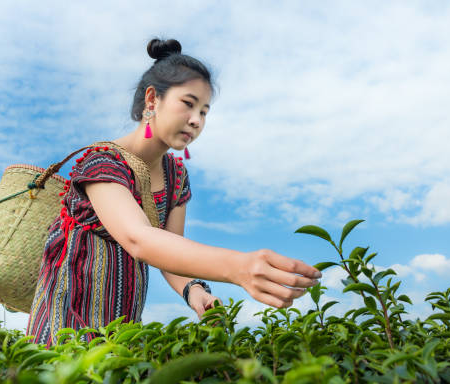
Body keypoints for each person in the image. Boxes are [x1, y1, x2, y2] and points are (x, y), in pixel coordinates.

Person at [27, 38, 321, 346]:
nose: (197, 120)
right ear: (152, 100)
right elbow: (139, 239)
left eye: (205, 111)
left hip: (120, 329)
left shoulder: (176, 176)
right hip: (65, 325)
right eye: (189, 103)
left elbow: (170, 250)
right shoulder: (103, 162)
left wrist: (195, 290)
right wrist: (239, 267)